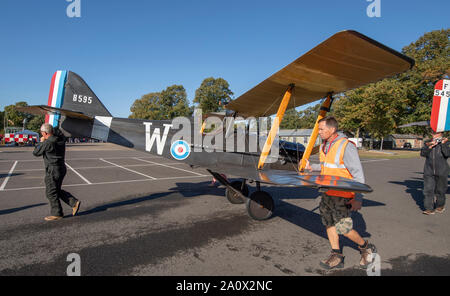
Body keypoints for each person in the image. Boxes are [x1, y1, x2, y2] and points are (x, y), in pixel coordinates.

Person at [304, 116, 376, 270]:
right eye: (319, 129)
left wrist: (358, 198)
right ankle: (337, 255)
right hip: (328, 192)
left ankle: (366, 247)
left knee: (343, 228)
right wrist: (313, 167)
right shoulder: (325, 145)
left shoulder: (345, 145)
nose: (319, 132)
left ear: (332, 129)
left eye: (322, 129)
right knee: (328, 223)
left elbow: (358, 175)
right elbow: (327, 167)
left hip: (343, 194)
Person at [33, 123, 81, 221]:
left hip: (52, 170)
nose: (41, 134)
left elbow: (36, 152)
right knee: (55, 190)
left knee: (50, 192)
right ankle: (73, 202)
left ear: (45, 133)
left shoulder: (48, 142)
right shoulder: (60, 139)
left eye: (42, 133)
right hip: (61, 168)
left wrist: (40, 142)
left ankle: (57, 213)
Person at [420, 129, 449, 215]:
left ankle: (440, 206)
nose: (433, 134)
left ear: (441, 134)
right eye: (432, 132)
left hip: (442, 170)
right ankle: (429, 208)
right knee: (428, 189)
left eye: (436, 133)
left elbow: (447, 154)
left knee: (440, 190)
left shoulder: (446, 142)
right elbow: (422, 154)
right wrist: (429, 147)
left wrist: (443, 144)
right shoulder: (428, 142)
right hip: (429, 170)